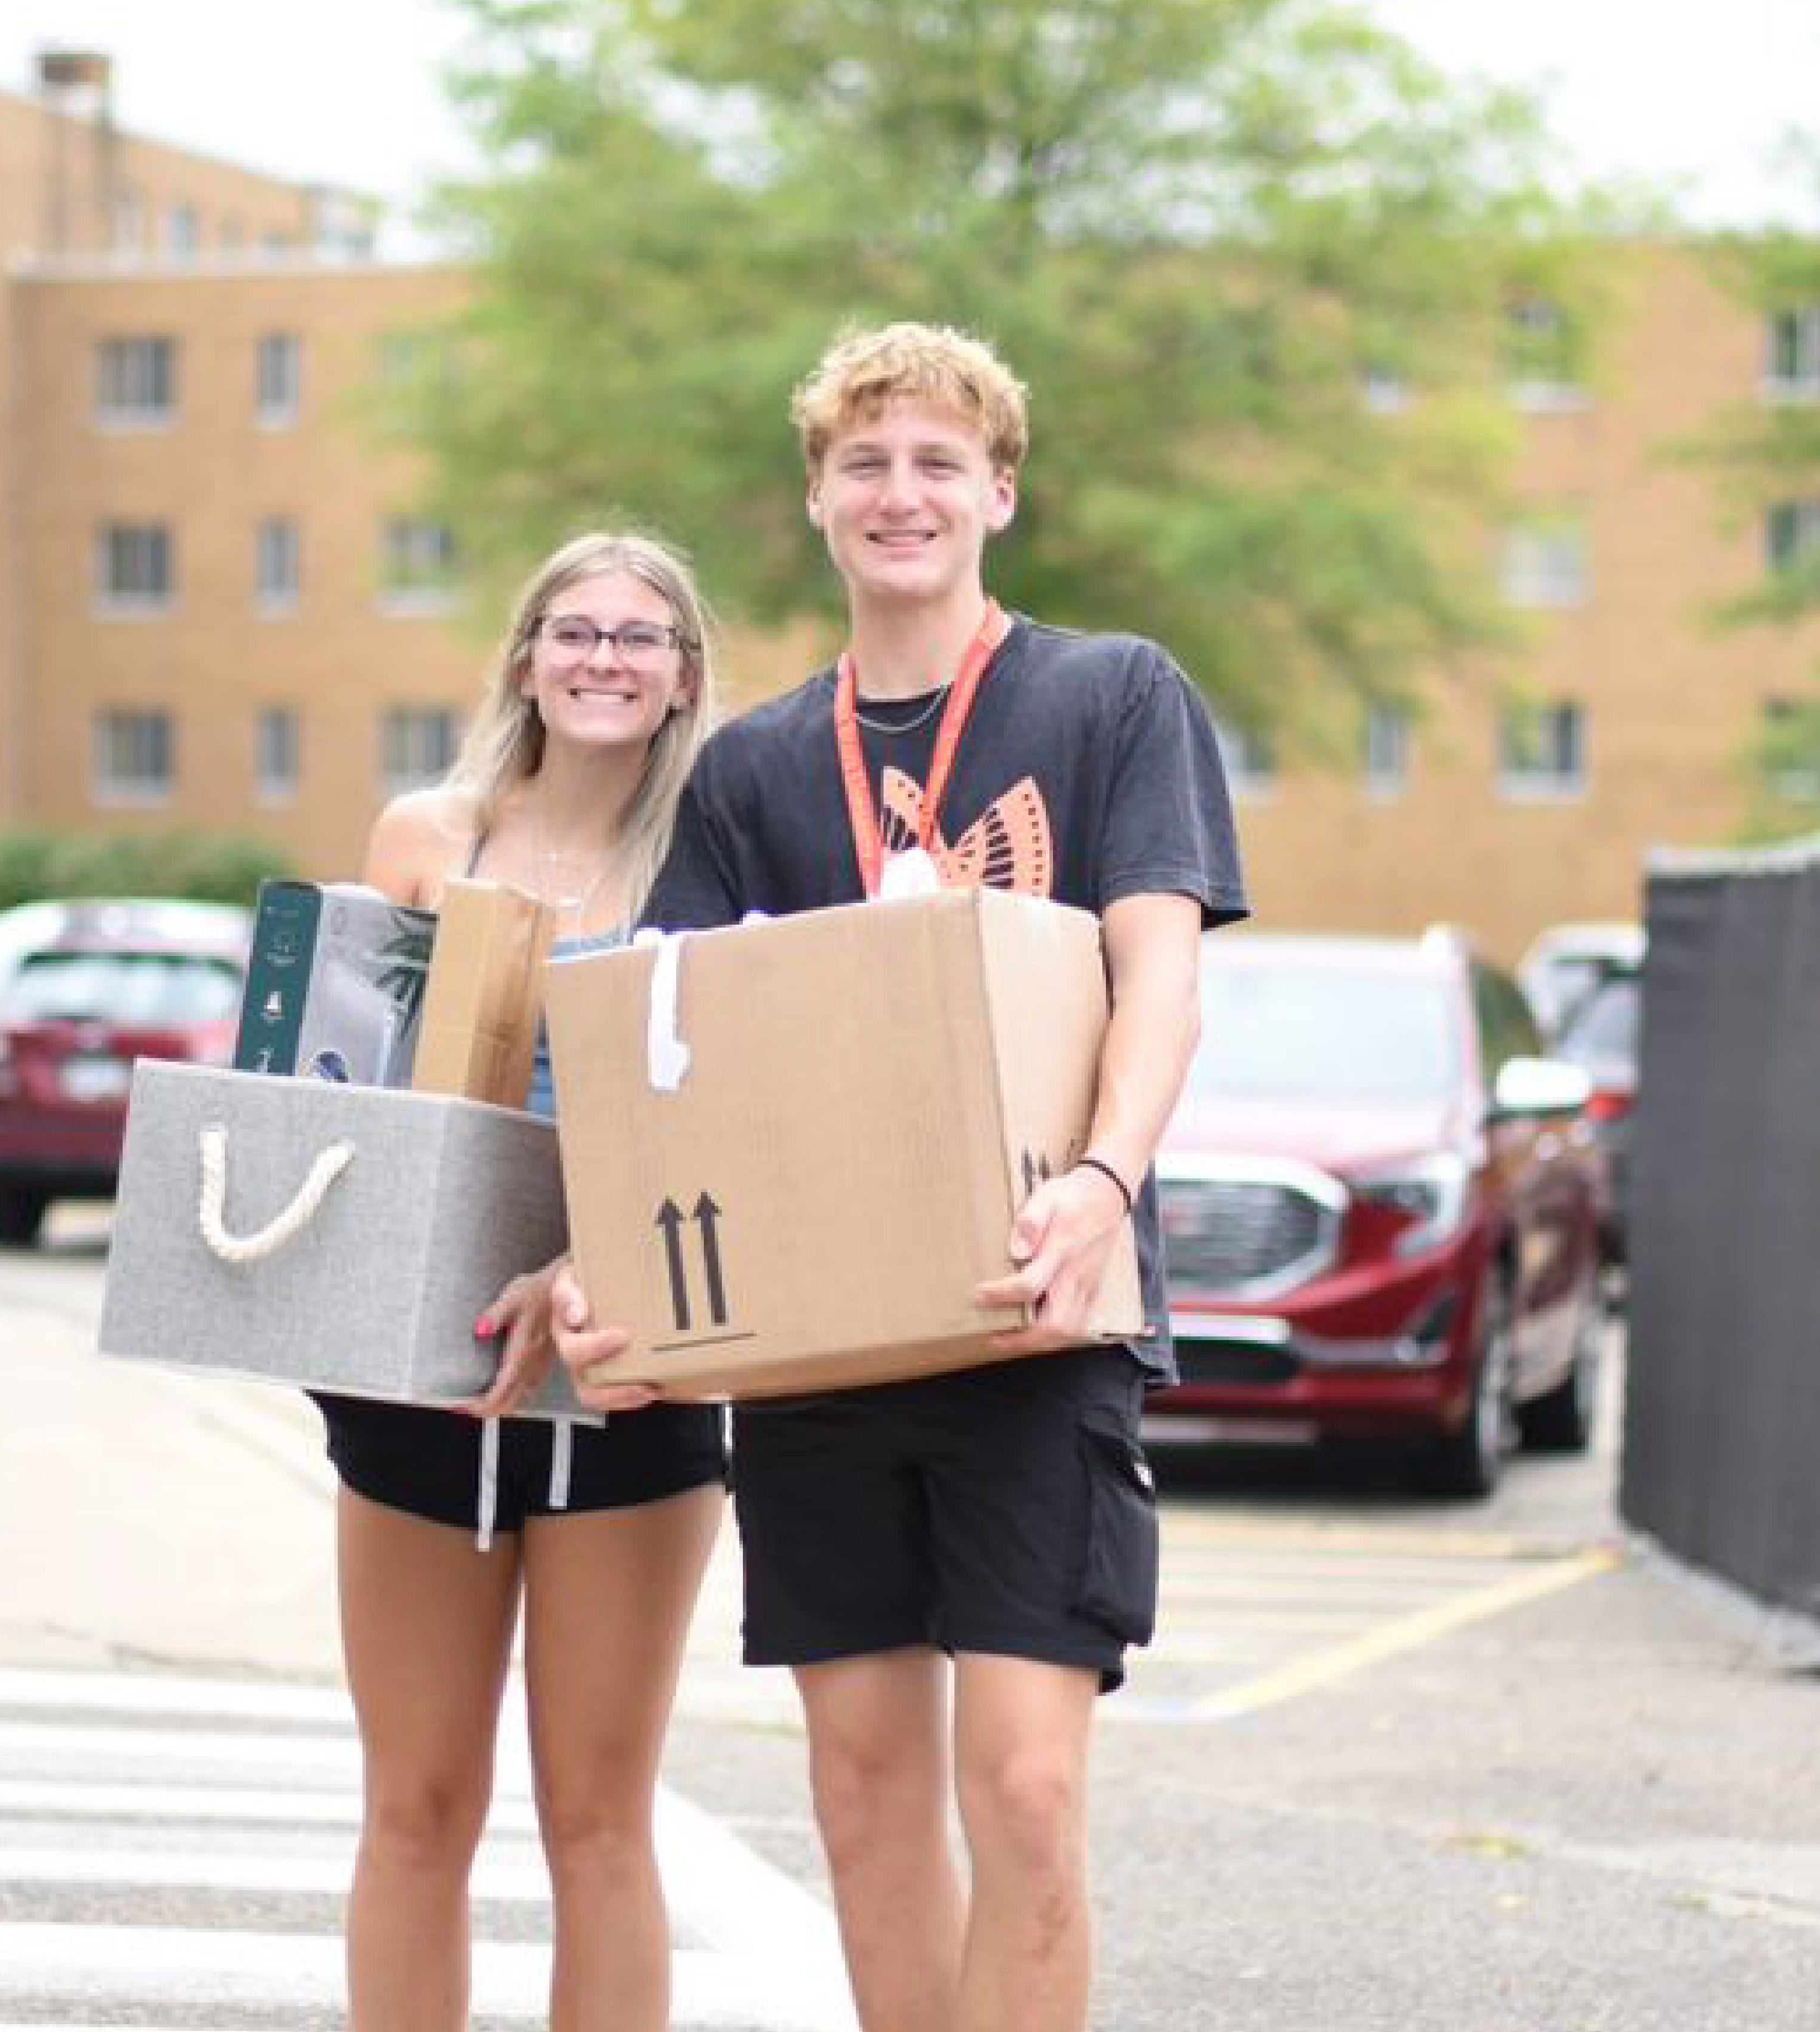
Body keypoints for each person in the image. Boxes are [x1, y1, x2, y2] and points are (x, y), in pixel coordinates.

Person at [558, 324, 1245, 2032]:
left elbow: (1157, 974)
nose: (902, 492)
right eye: (866, 462)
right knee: (866, 1799)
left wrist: (1102, 1176)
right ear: (817, 497)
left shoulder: (1111, 698)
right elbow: (681, 1064)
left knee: (1022, 1790)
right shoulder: (755, 770)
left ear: (1000, 491)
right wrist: (607, 1271)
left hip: (1039, 1309)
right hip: (824, 1352)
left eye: (941, 460)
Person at [330, 531, 731, 2032]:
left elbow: (735, 1114)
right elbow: (368, 1086)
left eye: (640, 637)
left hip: (636, 1354)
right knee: (416, 1800)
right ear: (522, 654)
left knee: (597, 1816)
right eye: (576, 630)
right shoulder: (428, 837)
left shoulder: (712, 855)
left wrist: (593, 1261)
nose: (604, 659)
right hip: (423, 1357)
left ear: (682, 672)